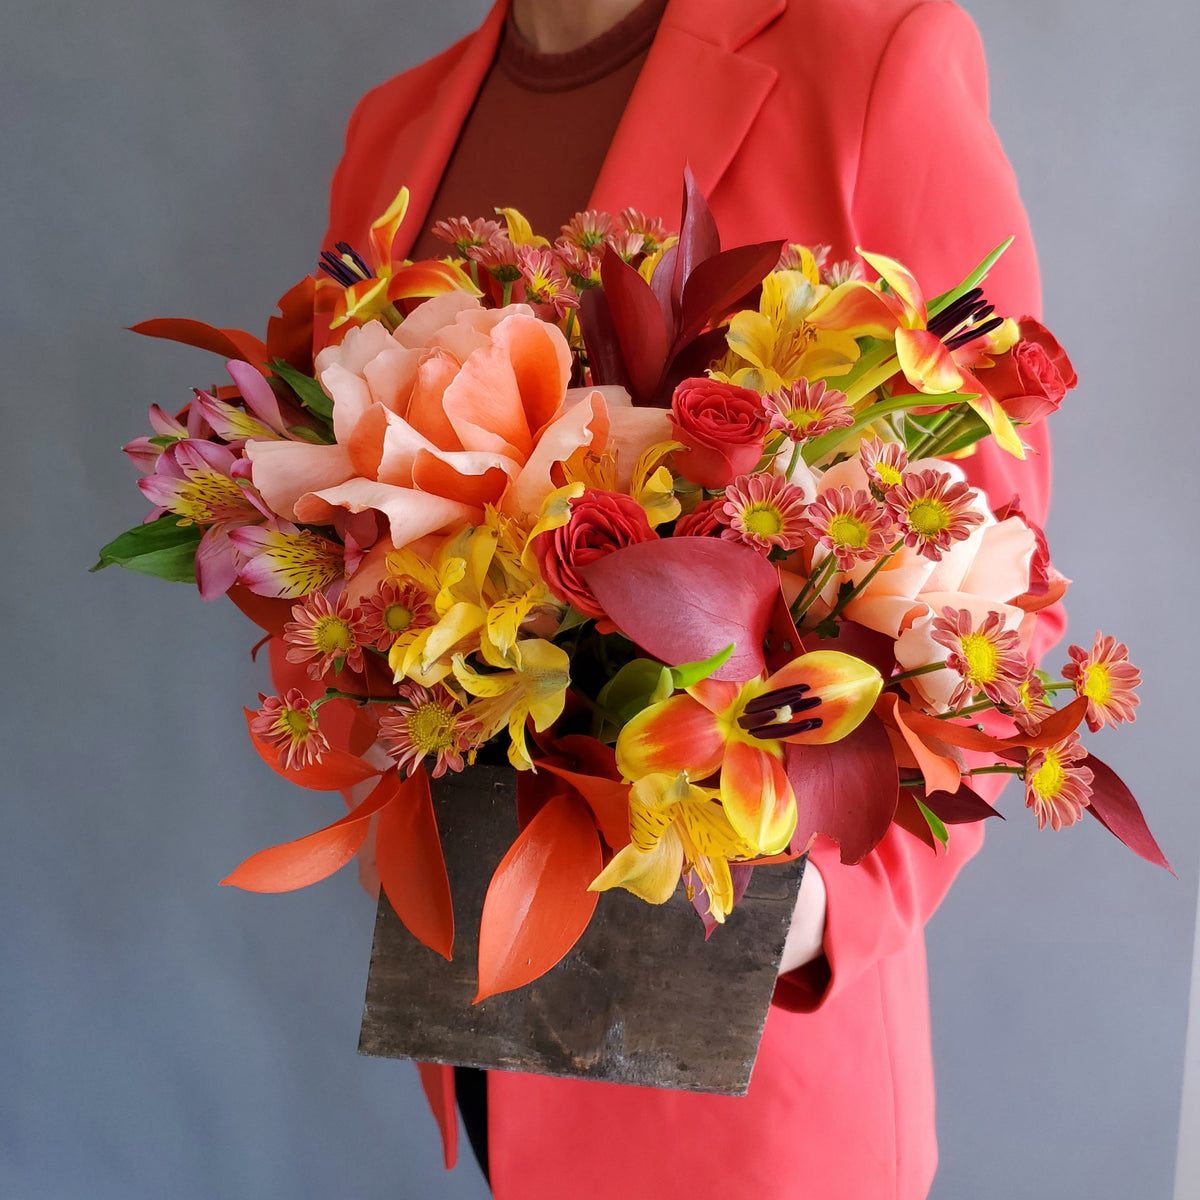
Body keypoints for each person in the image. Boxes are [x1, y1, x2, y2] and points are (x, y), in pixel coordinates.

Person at [319, 1, 1065, 1196]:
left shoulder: (872, 61)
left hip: (757, 1042)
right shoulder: (394, 129)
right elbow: (346, 506)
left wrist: (835, 904)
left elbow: (998, 582)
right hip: (494, 1013)